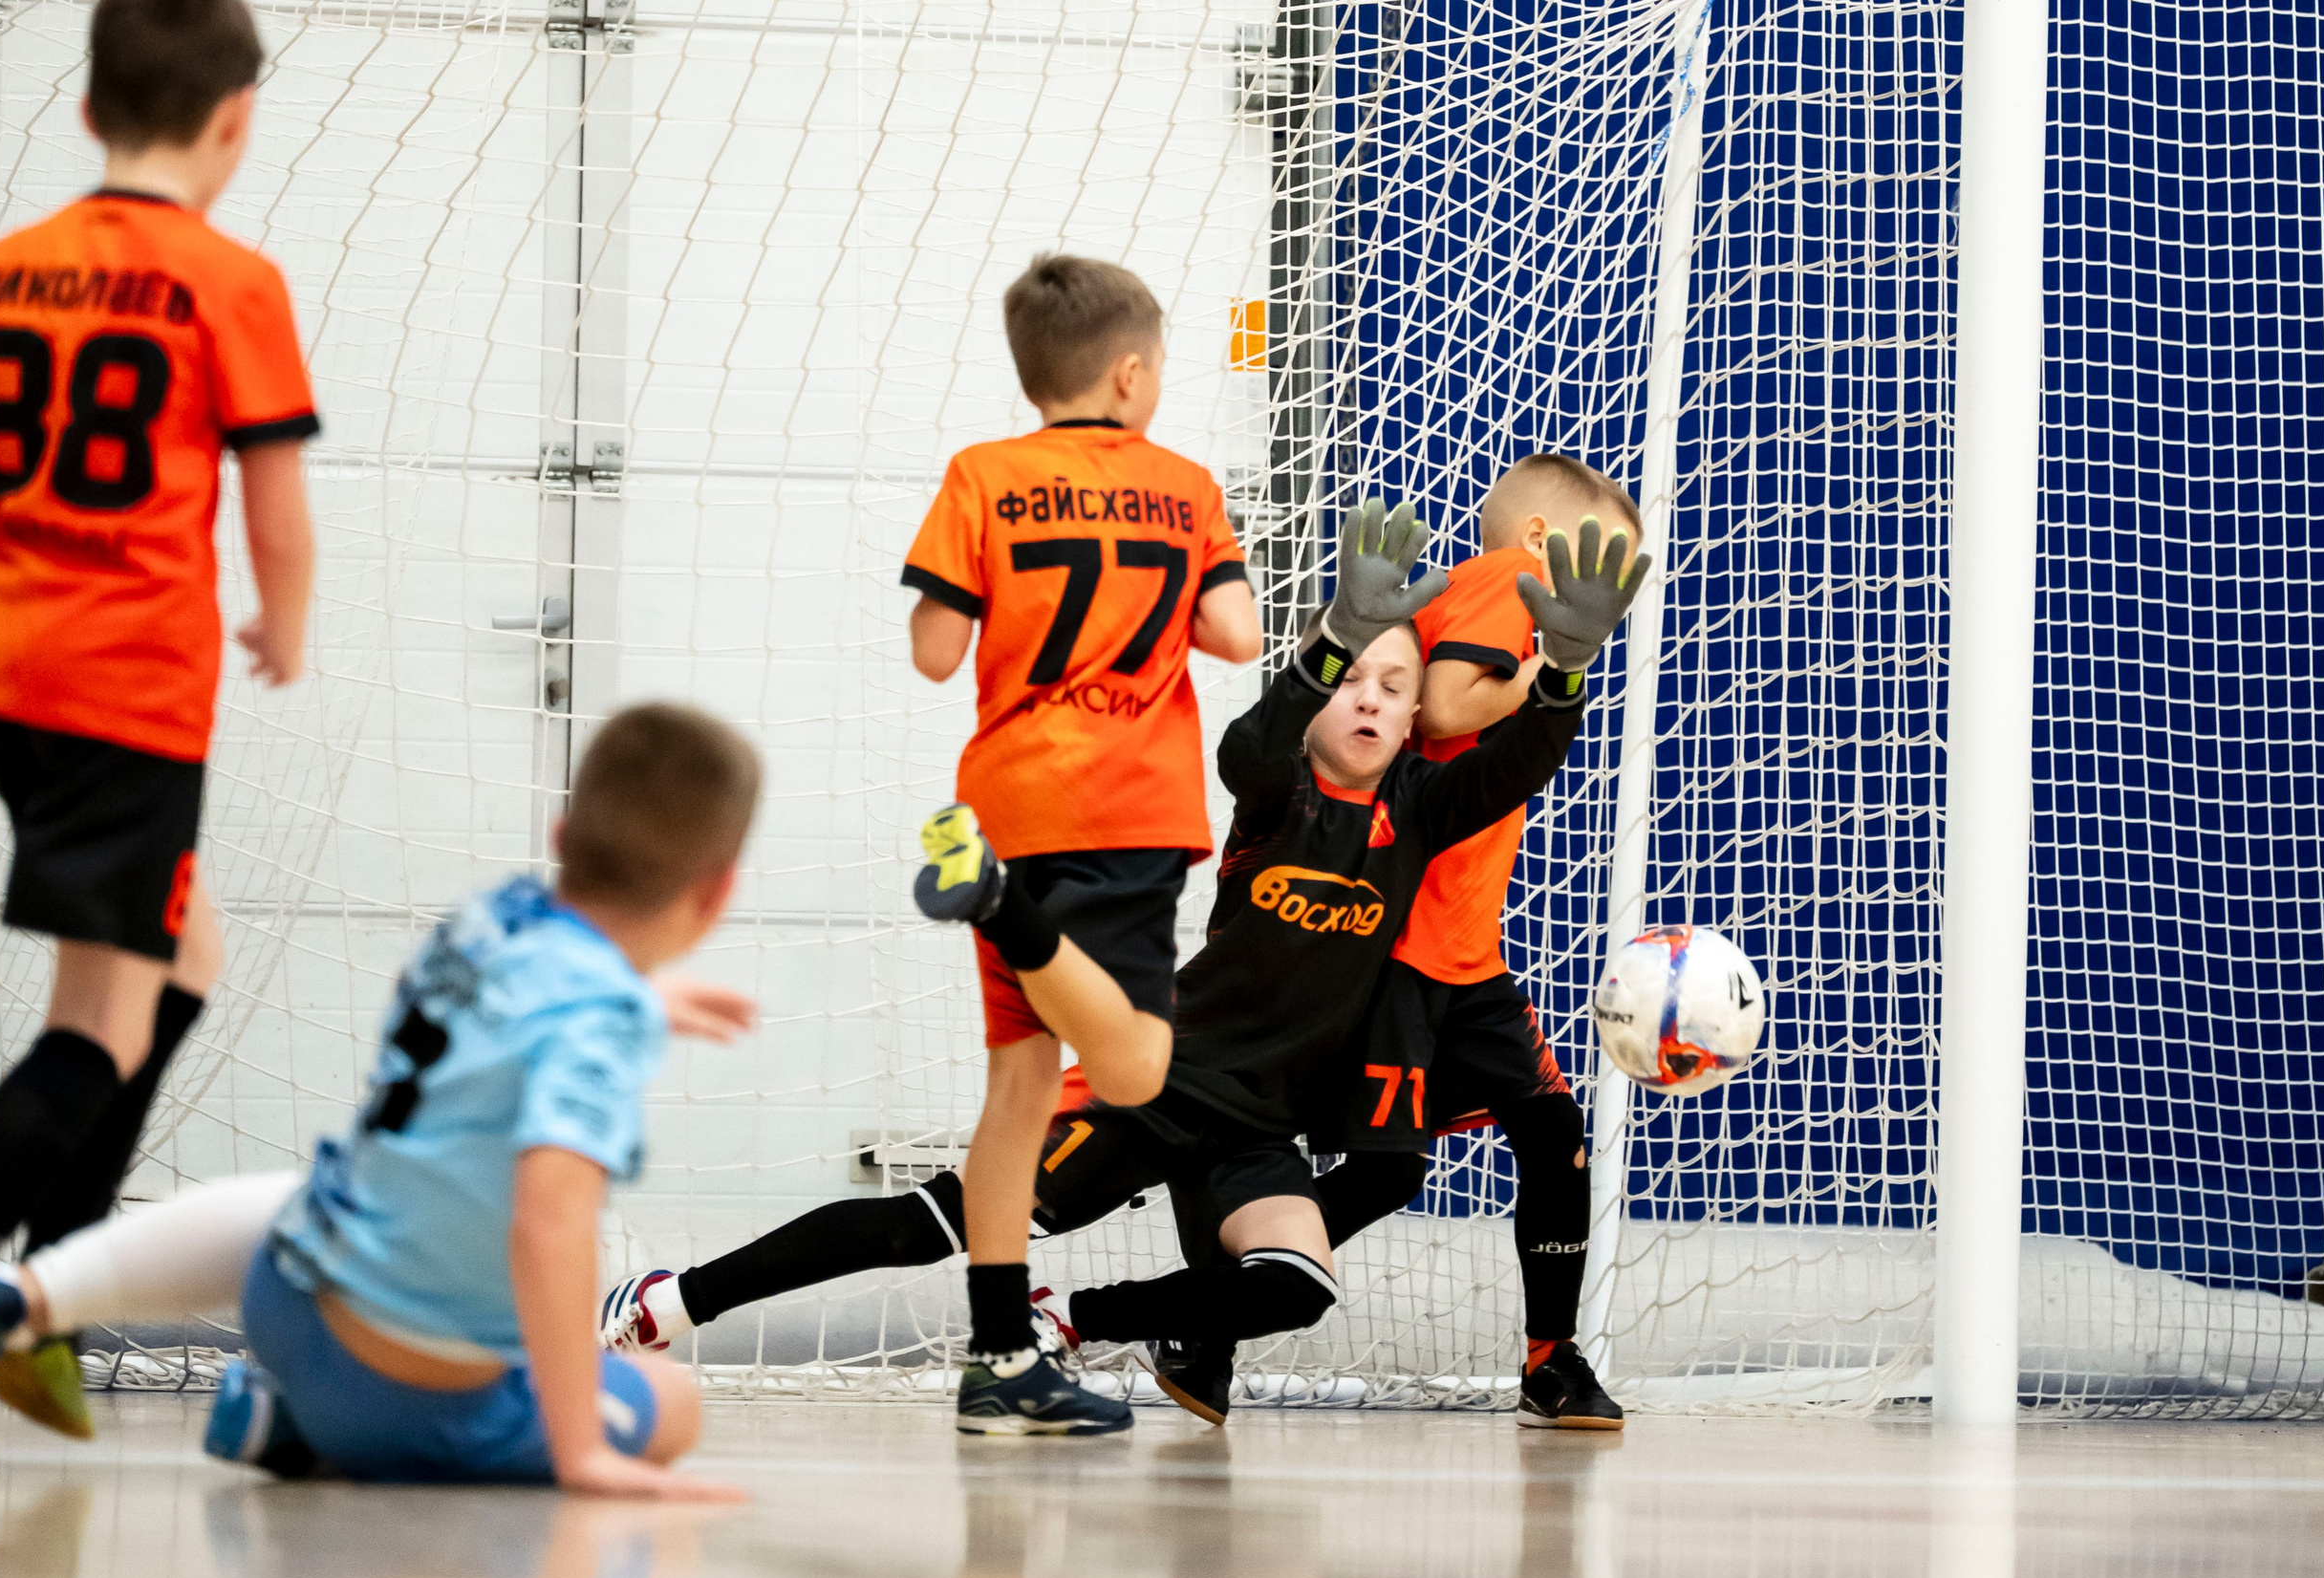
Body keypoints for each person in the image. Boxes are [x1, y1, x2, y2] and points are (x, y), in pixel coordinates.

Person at [600, 506, 1652, 1429]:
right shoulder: (1278, 793)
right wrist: (1331, 641)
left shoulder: (1419, 812)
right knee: (934, 1224)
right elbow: (1249, 744)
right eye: (1354, 685)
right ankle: (675, 1297)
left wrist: (1562, 671)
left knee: (1294, 1283)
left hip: (1254, 1126)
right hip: (1150, 1084)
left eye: (1396, 686)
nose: (1372, 702)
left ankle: (1077, 1321)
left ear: (1420, 714)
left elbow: (1519, 761)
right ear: (1321, 698)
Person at [0, 703, 761, 1495]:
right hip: (407, 1387)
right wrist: (581, 1449)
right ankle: (307, 1429)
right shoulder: (599, 1025)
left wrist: (635, 998)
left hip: (284, 1298)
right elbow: (550, 1220)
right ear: (716, 891)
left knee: (321, 1191)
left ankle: (25, 1294)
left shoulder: (493, 922)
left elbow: (518, 1027)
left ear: (561, 836)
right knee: (673, 1402)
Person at [0, 0, 320, 1461]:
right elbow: (276, 517)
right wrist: (282, 628)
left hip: (3, 667)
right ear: (235, 120)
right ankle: (19, 1296)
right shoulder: (230, 280)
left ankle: (48, 1285)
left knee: (188, 954)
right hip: (123, 690)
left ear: (83, 109)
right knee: (97, 1028)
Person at [848, 252, 1261, 1433]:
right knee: (1128, 1073)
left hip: (1008, 807)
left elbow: (934, 651)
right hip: (1126, 811)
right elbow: (1235, 635)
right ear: (1131, 375)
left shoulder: (983, 475)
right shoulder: (1184, 488)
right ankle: (997, 908)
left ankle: (999, 1360)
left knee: (1019, 1094)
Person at [1176, 455, 1646, 1432]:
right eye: (1600, 567)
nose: (1606, 600)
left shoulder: (1517, 617)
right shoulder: (1498, 592)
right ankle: (1203, 1323)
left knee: (1550, 1136)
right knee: (1390, 1170)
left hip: (1466, 951)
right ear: (1539, 551)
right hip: (1399, 950)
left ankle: (1550, 1363)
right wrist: (1552, 671)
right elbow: (1440, 707)